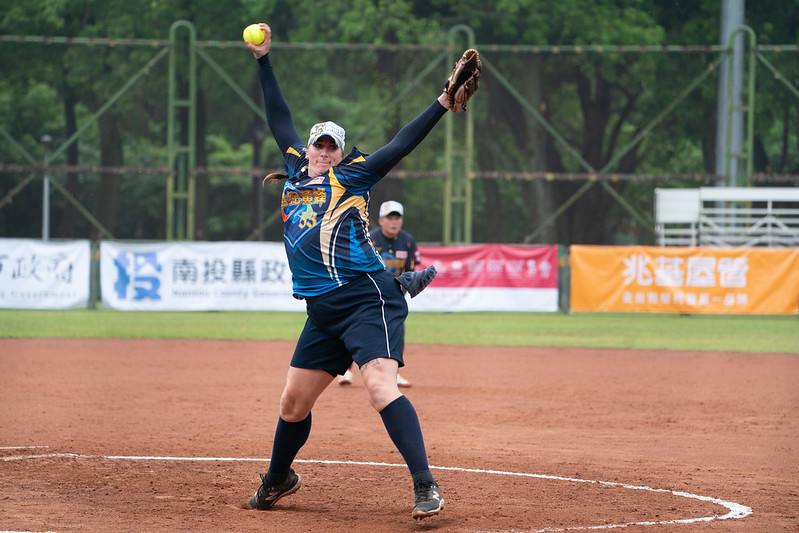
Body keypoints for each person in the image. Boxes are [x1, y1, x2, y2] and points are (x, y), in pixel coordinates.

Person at [244, 22, 454, 520]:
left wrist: (442, 103)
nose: (321, 151)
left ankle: (426, 486)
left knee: (379, 386)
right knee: (293, 405)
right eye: (318, 144)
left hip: (366, 298)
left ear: (341, 153)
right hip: (322, 312)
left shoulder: (350, 176)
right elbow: (279, 115)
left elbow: (400, 144)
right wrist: (263, 61)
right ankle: (279, 478)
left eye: (330, 147)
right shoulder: (297, 169)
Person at [338, 200, 419, 388]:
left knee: (397, 330)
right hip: (367, 294)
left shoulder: (407, 241)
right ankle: (346, 371)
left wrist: (401, 294)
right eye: (390, 218)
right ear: (381, 220)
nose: (394, 222)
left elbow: (410, 271)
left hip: (393, 295)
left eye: (397, 218)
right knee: (355, 330)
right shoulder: (369, 239)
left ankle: (394, 374)